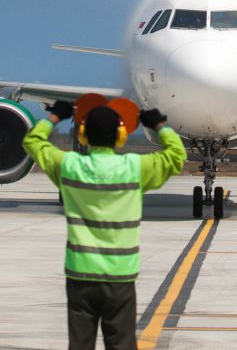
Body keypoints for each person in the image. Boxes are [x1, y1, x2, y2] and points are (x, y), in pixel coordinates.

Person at [23, 95, 186, 350]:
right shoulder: (135, 167)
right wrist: (158, 124)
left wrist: (55, 117)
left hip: (80, 275)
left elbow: (32, 142)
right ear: (120, 136)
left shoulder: (69, 165)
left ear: (84, 135)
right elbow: (177, 155)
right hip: (119, 277)